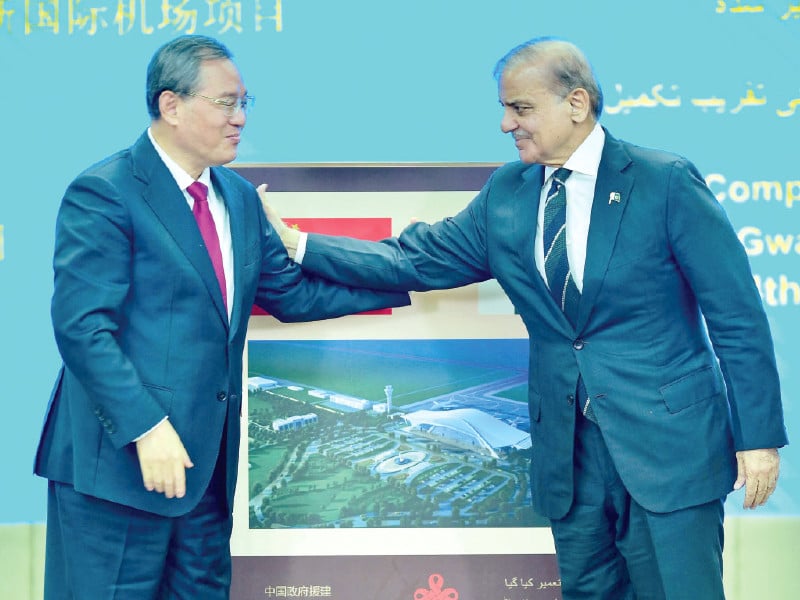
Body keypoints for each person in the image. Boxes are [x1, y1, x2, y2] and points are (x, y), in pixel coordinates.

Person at [260, 37, 788, 599]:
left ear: (577, 104)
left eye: (521, 109)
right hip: (571, 460)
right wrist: (297, 244)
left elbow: (737, 317)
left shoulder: (664, 182)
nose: (506, 124)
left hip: (670, 449)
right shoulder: (506, 193)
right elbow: (413, 259)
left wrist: (758, 438)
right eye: (504, 109)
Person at [33, 34, 409, 600]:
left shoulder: (236, 196)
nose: (240, 118)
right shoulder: (104, 193)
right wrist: (146, 428)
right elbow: (83, 328)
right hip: (116, 471)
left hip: (205, 474)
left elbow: (292, 294)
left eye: (244, 103)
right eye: (225, 103)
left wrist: (407, 280)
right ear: (171, 105)